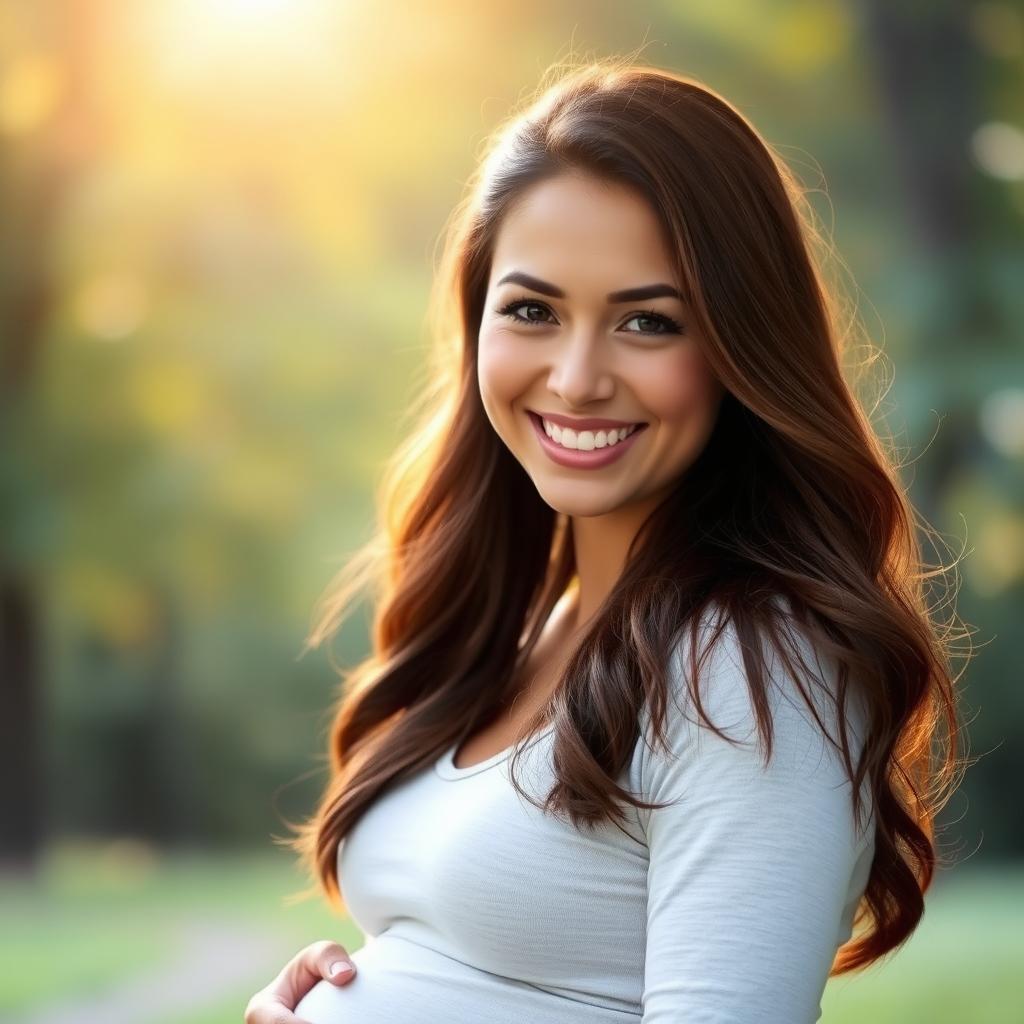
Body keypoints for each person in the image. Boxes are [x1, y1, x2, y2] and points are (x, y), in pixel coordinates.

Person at [244, 56, 965, 1024]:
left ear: (739, 347)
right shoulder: (529, 623)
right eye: (533, 311)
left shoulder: (750, 665)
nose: (577, 378)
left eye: (647, 321)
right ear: (475, 324)